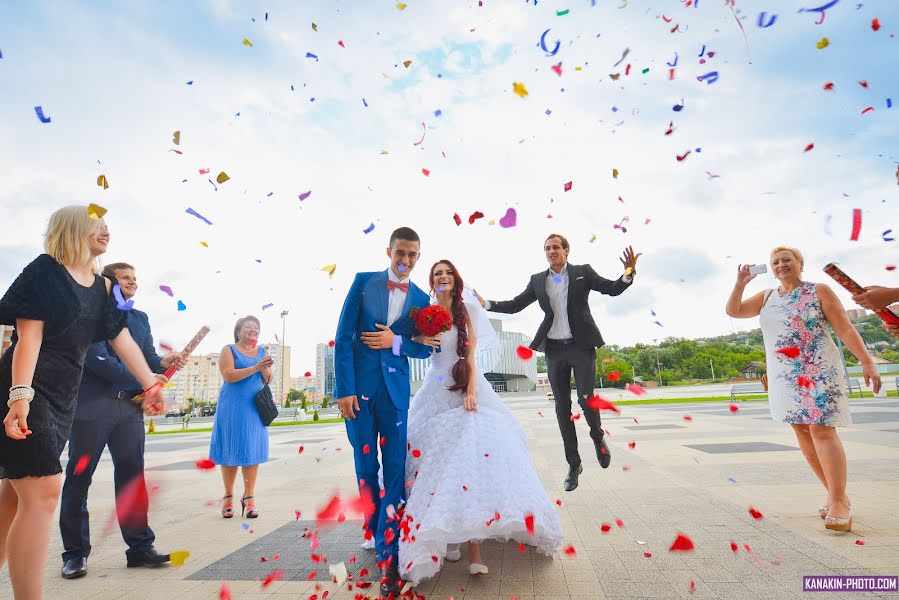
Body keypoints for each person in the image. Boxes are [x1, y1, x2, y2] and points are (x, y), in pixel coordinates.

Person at [0, 206, 166, 600]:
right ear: (74, 229)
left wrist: (150, 384)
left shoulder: (104, 287)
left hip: (63, 396)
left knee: (14, 495)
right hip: (25, 386)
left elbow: (120, 338)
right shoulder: (45, 271)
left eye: (108, 225)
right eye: (97, 225)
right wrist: (19, 396)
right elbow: (29, 338)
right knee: (42, 493)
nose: (106, 230)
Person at [399, 260, 562, 588]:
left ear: (454, 279)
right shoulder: (424, 312)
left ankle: (470, 544)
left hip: (466, 384)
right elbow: (414, 345)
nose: (443, 277)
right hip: (435, 387)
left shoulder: (467, 310)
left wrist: (471, 392)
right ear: (432, 281)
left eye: (447, 273)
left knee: (471, 455)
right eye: (437, 274)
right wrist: (419, 335)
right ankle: (453, 537)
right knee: (434, 458)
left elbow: (470, 355)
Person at [726, 246, 882, 533]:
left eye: (787, 260)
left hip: (818, 367)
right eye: (775, 262)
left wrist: (867, 361)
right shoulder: (767, 297)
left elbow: (845, 328)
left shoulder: (818, 291)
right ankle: (837, 496)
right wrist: (739, 284)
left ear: (800, 264)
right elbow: (733, 310)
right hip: (784, 374)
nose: (781, 265)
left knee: (821, 429)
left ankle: (838, 503)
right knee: (801, 430)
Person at [476, 234, 640, 491]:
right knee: (562, 408)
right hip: (554, 349)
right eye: (547, 248)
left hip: (580, 346)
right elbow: (516, 305)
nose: (551, 251)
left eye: (555, 247)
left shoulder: (583, 273)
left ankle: (597, 437)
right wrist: (486, 303)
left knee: (586, 399)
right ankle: (574, 465)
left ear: (566, 250)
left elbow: (611, 288)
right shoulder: (537, 280)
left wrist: (628, 273)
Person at [59, 262, 186, 579]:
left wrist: (164, 362)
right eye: (125, 277)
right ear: (107, 283)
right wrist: (146, 381)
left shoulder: (140, 318)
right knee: (79, 479)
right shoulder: (90, 313)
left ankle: (140, 548)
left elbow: (146, 357)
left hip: (129, 411)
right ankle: (75, 554)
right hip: (92, 409)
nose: (133, 282)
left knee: (132, 480)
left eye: (135, 278)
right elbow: (98, 358)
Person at [334, 227, 432, 597]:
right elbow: (343, 338)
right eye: (400, 253)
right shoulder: (363, 283)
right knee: (365, 467)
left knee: (394, 468)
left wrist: (398, 342)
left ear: (418, 257)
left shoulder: (421, 298)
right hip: (358, 393)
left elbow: (426, 349)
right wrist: (343, 390)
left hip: (395, 394)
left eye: (412, 255)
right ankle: (376, 528)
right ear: (388, 251)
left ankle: (388, 547)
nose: (405, 261)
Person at [209, 316, 273, 520]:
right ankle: (228, 497)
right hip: (233, 406)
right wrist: (255, 367)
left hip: (255, 407)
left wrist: (264, 368)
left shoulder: (263, 351)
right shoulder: (229, 349)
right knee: (230, 449)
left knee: (252, 450)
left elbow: (268, 378)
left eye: (256, 327)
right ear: (238, 332)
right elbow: (228, 375)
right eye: (248, 327)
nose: (253, 330)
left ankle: (249, 497)